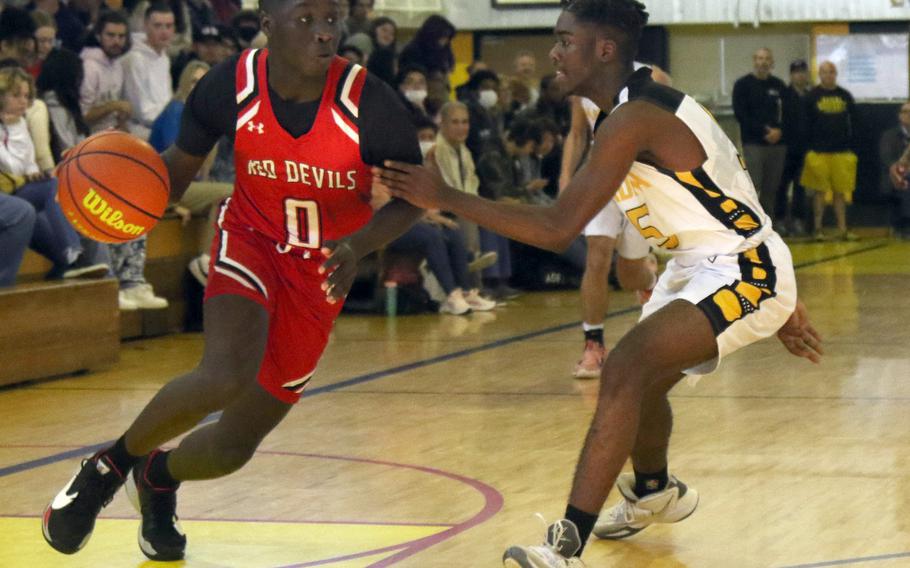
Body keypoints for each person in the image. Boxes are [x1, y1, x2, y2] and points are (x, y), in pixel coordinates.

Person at [376, 1, 822, 565]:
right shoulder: (626, 106)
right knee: (643, 384)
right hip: (704, 263)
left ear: (604, 49)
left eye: (564, 40)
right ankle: (656, 491)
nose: (553, 53)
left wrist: (444, 197)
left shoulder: (634, 117)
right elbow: (731, 186)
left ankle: (564, 547)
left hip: (741, 267)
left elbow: (557, 225)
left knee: (626, 368)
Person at [42, 0, 424, 561]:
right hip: (250, 239)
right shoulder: (229, 86)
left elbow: (413, 200)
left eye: (331, 20)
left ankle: (156, 475)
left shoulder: (371, 101)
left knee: (232, 448)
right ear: (267, 26)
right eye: (306, 20)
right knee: (224, 372)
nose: (324, 34)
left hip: (320, 270)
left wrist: (359, 245)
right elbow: (173, 174)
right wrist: (110, 183)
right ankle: (105, 469)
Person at [560, 63, 665, 379]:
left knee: (628, 274)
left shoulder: (653, 77)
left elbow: (666, 131)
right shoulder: (582, 80)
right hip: (599, 175)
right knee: (597, 256)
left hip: (640, 179)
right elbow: (577, 133)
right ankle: (593, 345)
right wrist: (566, 180)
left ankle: (647, 281)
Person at [800, 61, 858, 242]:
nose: (828, 75)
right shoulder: (811, 96)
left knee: (840, 193)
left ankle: (842, 229)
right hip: (818, 152)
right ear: (820, 75)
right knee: (819, 192)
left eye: (831, 72)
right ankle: (818, 229)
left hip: (841, 152)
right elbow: (805, 124)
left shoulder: (845, 95)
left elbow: (854, 121)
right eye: (824, 72)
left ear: (836, 74)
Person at [733, 47, 788, 219]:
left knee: (771, 189)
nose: (762, 62)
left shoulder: (779, 85)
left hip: (777, 146)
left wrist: (780, 131)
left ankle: (769, 225)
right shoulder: (742, 85)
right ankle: (752, 224)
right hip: (754, 144)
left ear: (771, 63)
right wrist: (765, 132)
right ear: (754, 61)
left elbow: (788, 114)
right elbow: (741, 114)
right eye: (759, 58)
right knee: (753, 187)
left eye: (766, 59)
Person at [122, 2, 175, 140]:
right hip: (139, 131)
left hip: (164, 125)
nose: (164, 32)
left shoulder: (164, 57)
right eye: (158, 26)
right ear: (145, 26)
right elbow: (142, 111)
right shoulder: (134, 58)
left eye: (168, 26)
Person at [80, 11, 132, 134]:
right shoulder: (89, 67)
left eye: (121, 36)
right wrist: (113, 106)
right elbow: (83, 116)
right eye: (111, 35)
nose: (116, 41)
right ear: (98, 36)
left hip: (114, 132)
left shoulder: (118, 64)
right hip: (92, 137)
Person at [776, 58, 811, 236]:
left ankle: (798, 220)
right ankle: (780, 220)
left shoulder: (811, 95)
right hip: (785, 148)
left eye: (803, 72)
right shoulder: (783, 94)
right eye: (796, 72)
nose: (800, 75)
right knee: (781, 186)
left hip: (805, 149)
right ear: (791, 75)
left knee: (800, 186)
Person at [881, 101, 910, 239]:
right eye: (905, 112)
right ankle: (904, 225)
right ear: (899, 116)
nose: (908, 115)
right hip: (896, 176)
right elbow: (888, 160)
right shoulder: (889, 136)